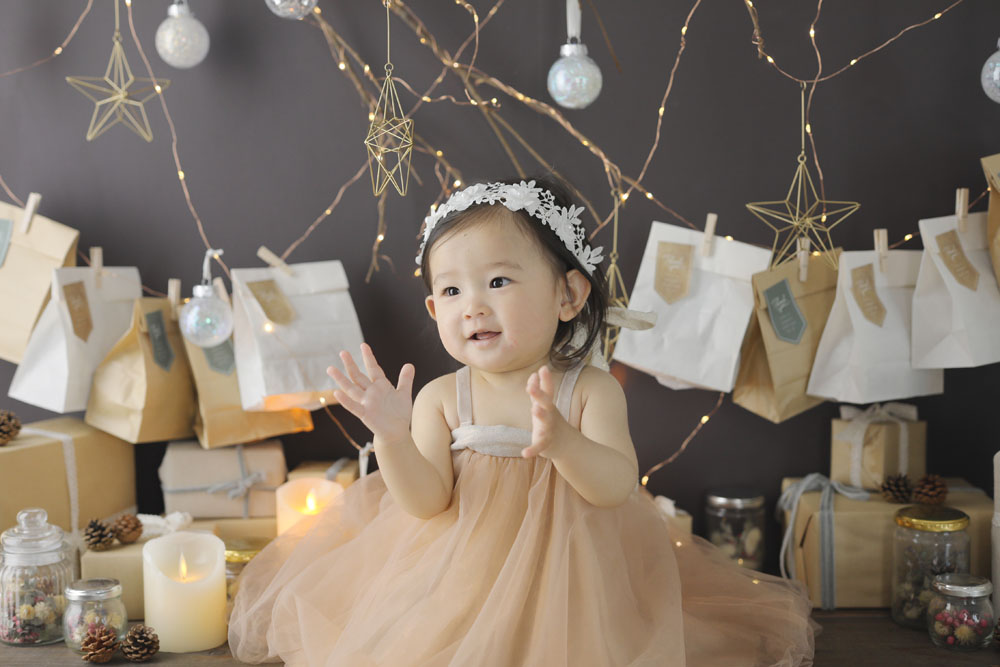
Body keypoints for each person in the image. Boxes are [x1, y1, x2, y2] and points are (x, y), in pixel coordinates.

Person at [228, 177, 817, 666]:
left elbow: (615, 487)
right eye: (451, 290)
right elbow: (425, 501)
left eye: (498, 281)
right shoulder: (442, 397)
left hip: (573, 581)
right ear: (434, 309)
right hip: (460, 580)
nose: (473, 306)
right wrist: (391, 435)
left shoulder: (588, 390)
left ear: (568, 296)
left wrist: (562, 443)